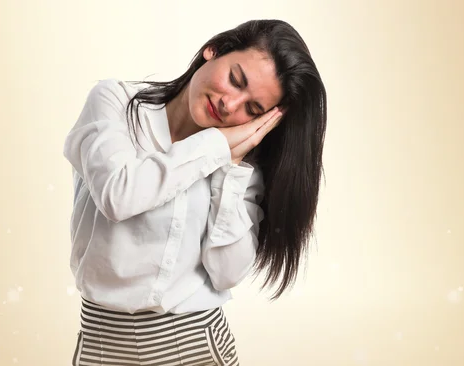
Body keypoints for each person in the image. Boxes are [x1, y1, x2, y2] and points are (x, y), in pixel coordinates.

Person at [63, 19, 327, 366]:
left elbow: (226, 273)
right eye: (235, 80)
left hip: (196, 344)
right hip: (103, 344)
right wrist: (214, 145)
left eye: (253, 109)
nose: (231, 105)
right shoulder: (114, 102)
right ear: (213, 50)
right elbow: (118, 195)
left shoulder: (240, 162)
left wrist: (230, 169)